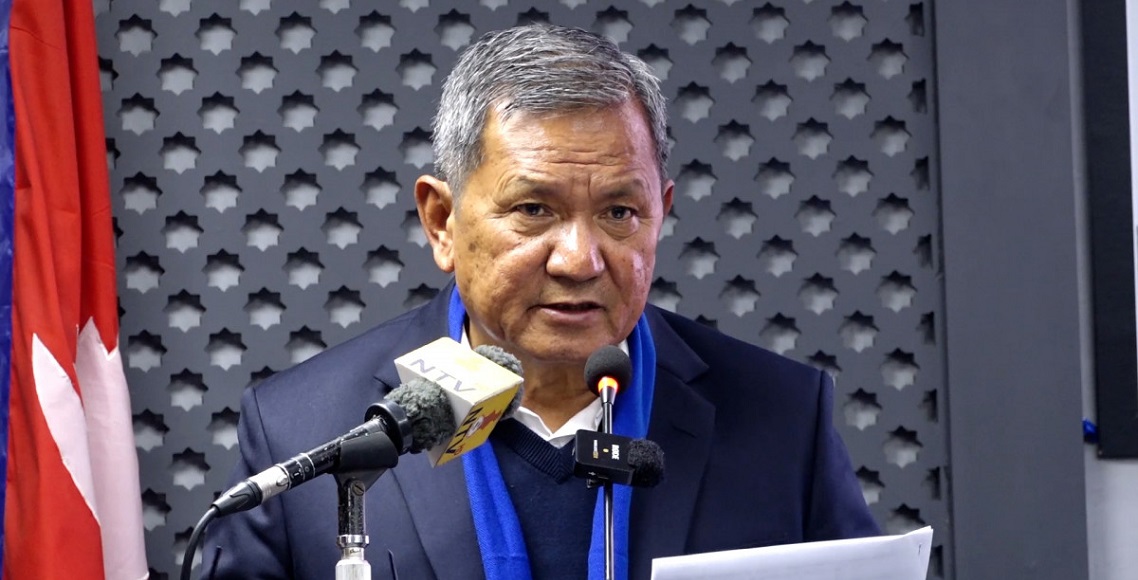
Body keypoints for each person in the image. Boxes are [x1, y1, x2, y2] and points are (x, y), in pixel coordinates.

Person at [201, 24, 879, 580]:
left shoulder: (784, 419)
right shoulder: (303, 432)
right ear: (441, 222)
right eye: (533, 209)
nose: (579, 260)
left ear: (661, 214)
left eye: (619, 212)